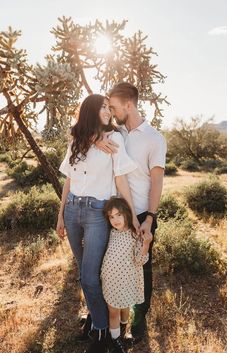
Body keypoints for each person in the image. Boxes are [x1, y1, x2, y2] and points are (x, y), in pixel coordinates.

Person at [56, 94, 138, 353]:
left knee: (91, 277)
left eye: (108, 107)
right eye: (102, 107)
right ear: (91, 110)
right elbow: (68, 181)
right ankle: (95, 322)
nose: (107, 111)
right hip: (72, 210)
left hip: (95, 213)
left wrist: (133, 215)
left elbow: (121, 178)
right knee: (84, 274)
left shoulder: (114, 139)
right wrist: (60, 215)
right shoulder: (77, 141)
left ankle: (102, 331)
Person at [97, 82, 167, 342]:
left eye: (114, 107)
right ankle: (108, 318)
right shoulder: (115, 132)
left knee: (142, 270)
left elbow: (157, 181)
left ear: (129, 105)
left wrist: (150, 217)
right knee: (111, 265)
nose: (112, 112)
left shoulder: (154, 138)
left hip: (140, 215)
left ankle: (139, 322)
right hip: (114, 214)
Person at [101, 197, 152, 353]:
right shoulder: (111, 233)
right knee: (113, 312)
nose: (115, 220)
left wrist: (146, 244)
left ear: (127, 214)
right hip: (110, 280)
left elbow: (140, 260)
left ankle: (122, 330)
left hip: (126, 281)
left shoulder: (134, 235)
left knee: (124, 309)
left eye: (118, 215)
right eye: (111, 216)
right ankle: (115, 341)